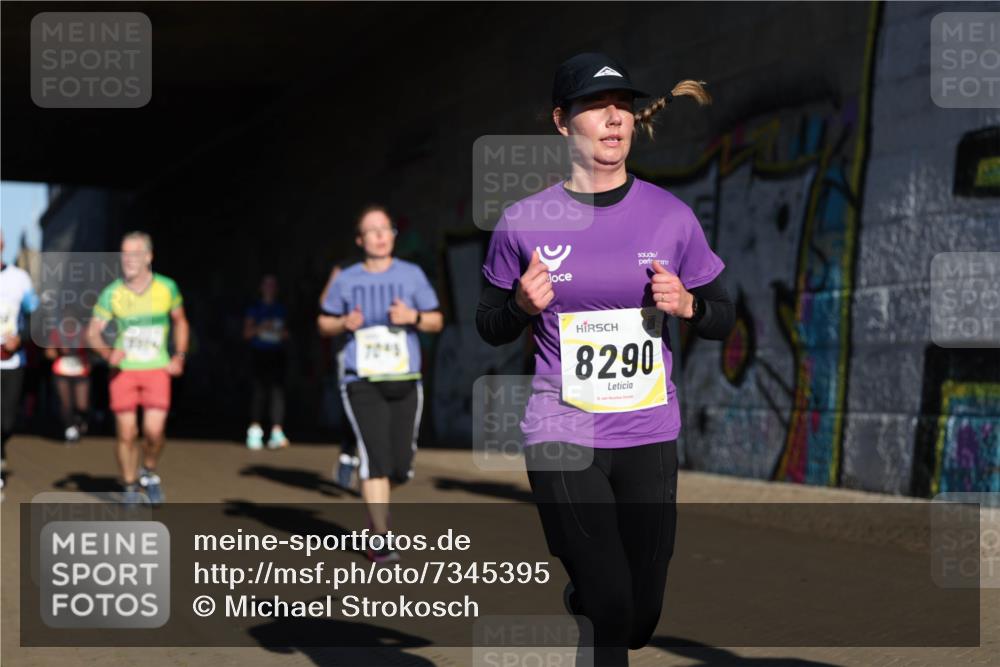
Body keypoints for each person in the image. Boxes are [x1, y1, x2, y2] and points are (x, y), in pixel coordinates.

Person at [476, 53, 735, 666]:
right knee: (611, 604)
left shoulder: (671, 216)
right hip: (561, 431)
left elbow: (724, 315)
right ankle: (595, 598)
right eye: (596, 107)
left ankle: (590, 599)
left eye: (622, 105)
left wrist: (690, 305)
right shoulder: (522, 222)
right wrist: (517, 305)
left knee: (641, 615)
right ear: (563, 122)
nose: (614, 118)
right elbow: (489, 325)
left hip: (648, 431)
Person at [318, 205, 443, 562]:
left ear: (392, 235)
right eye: (371, 231)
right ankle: (380, 534)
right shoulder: (346, 278)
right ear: (360, 240)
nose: (379, 235)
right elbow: (323, 323)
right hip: (362, 380)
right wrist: (344, 323)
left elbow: (436, 320)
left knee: (400, 466)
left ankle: (379, 509)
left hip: (405, 379)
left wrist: (413, 317)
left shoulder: (412, 275)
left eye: (385, 229)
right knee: (374, 457)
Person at [86, 231, 189, 504]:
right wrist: (108, 354)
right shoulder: (113, 293)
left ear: (148, 256)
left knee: (154, 432)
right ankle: (130, 485)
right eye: (124, 254)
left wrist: (178, 355)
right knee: (127, 432)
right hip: (125, 372)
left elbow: (180, 321)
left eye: (134, 254)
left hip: (157, 369)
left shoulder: (167, 288)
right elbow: (92, 333)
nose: (128, 260)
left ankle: (149, 471)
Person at [0, 231, 40, 491]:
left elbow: (36, 317)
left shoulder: (19, 279)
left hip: (12, 362)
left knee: (6, 422)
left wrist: (21, 338)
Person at [319, 263, 360, 487]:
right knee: (352, 402)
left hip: (385, 359)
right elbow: (325, 307)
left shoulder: (396, 272)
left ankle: (368, 457)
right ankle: (348, 453)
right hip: (349, 350)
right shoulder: (345, 272)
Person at [244, 274, 290, 449]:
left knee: (277, 392)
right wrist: (261, 327)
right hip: (259, 353)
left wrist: (282, 333)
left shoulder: (281, 309)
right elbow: (246, 333)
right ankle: (255, 429)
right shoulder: (255, 308)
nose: (270, 288)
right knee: (259, 391)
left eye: (273, 285)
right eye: (267, 284)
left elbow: (286, 333)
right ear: (261, 288)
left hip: (276, 353)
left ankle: (276, 431)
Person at [45, 317, 92, 443]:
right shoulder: (56, 332)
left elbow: (94, 348)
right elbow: (48, 353)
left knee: (82, 405)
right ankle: (69, 428)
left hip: (80, 371)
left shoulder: (84, 332)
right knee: (65, 403)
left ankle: (79, 422)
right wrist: (59, 351)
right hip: (62, 371)